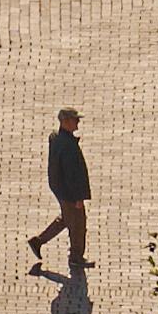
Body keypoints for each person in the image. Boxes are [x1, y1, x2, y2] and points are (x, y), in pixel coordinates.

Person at [32, 106, 92, 276]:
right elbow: (72, 174)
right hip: (69, 192)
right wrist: (78, 197)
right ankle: (76, 256)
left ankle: (38, 241)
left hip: (60, 189)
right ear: (66, 122)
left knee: (66, 219)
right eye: (75, 120)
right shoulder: (67, 146)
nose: (78, 123)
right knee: (78, 223)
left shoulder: (58, 139)